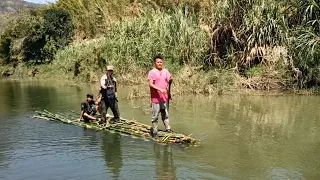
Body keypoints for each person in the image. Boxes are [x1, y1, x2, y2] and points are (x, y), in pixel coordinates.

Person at [148, 55, 173, 138]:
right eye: (158, 62)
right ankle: (155, 131)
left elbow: (168, 82)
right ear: (155, 63)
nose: (159, 63)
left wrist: (171, 80)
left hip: (164, 97)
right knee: (155, 116)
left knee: (165, 114)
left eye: (161, 62)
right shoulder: (152, 72)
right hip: (156, 98)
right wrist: (159, 89)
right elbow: (151, 84)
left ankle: (168, 128)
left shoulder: (166, 71)